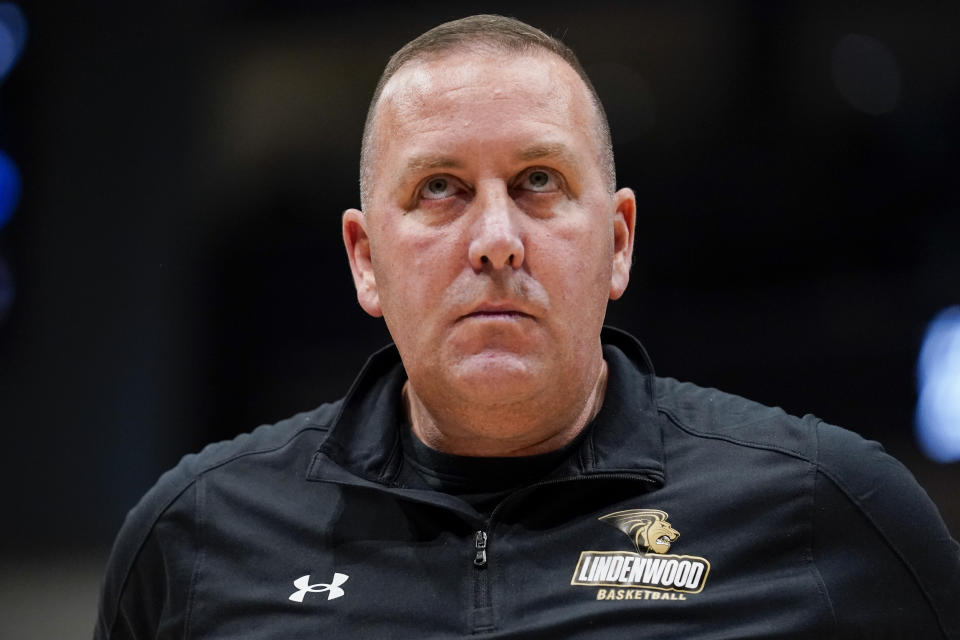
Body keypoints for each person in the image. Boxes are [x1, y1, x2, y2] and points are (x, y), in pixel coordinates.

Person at [94, 14, 960, 639]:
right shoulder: (195, 538)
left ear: (617, 244)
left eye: (540, 181)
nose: (498, 242)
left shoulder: (830, 511)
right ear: (365, 259)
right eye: (440, 188)